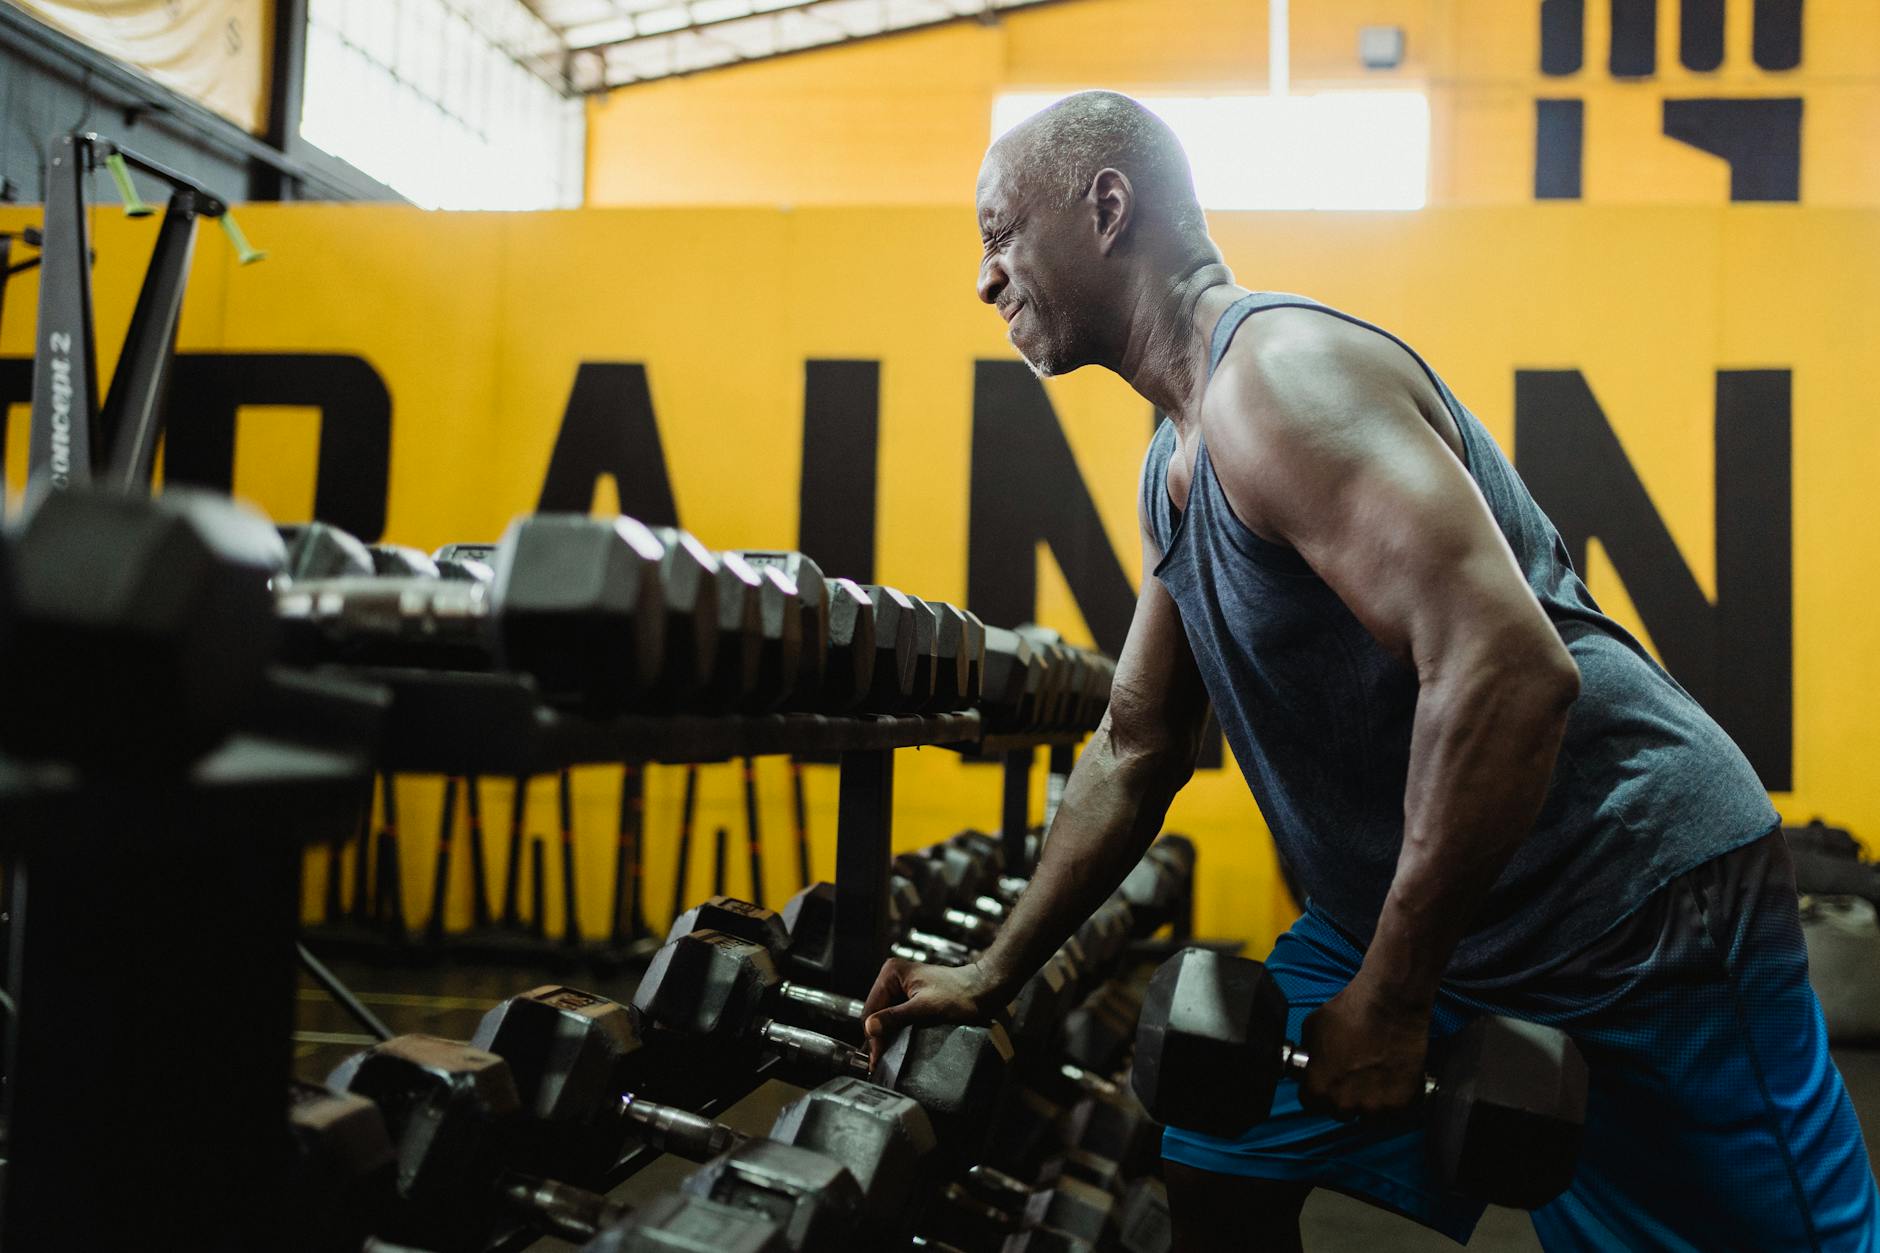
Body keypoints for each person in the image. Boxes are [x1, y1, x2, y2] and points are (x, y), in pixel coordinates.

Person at [860, 90, 1879, 1251]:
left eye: (998, 234)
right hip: (1421, 907)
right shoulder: (1177, 457)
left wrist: (1391, 996)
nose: (984, 278)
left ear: (1105, 207)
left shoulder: (1277, 383)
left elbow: (1506, 671)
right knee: (1218, 1148)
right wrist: (990, 970)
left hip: (1626, 900)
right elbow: (1137, 744)